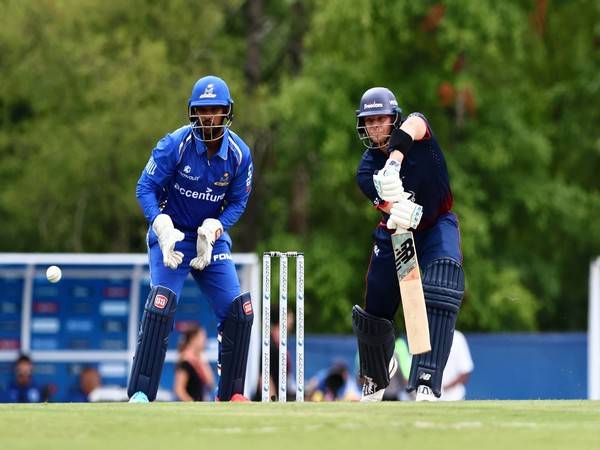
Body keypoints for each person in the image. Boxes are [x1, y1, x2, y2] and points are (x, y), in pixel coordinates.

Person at [128, 75, 254, 403]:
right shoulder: (174, 144)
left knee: (238, 311)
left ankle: (232, 394)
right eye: (202, 110)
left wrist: (216, 227)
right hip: (172, 237)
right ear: (192, 113)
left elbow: (238, 201)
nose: (208, 117)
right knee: (162, 303)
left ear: (227, 112)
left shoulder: (239, 155)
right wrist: (160, 225)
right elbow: (145, 187)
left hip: (209, 239)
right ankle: (141, 391)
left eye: (215, 110)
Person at [352, 87, 465, 402]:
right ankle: (376, 376)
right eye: (369, 121)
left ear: (393, 118)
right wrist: (396, 207)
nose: (375, 126)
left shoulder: (416, 134)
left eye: (381, 119)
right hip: (396, 230)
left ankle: (427, 380)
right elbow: (386, 205)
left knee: (442, 284)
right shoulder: (365, 169)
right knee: (375, 309)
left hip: (436, 225)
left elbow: (416, 123)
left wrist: (395, 161)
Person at [173, 325, 215, 401]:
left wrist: (202, 360)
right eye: (202, 338)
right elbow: (179, 390)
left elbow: (210, 383)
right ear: (193, 339)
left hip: (199, 405)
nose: (205, 341)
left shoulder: (200, 359)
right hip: (189, 409)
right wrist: (192, 405)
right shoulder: (185, 361)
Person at [440, 330, 474, 401]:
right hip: (428, 399)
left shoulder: (458, 337)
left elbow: (465, 372)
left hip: (454, 398)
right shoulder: (425, 335)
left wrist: (445, 388)